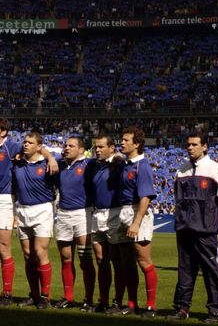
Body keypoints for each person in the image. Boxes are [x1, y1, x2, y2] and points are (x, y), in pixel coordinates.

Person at [0, 119, 58, 306]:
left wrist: (50, 157)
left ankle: (8, 293)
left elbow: (36, 147)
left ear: (3, 133)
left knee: (6, 249)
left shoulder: (12, 148)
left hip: (4, 201)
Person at [167, 132, 218, 323]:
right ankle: (182, 308)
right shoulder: (181, 171)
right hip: (185, 229)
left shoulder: (215, 170)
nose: (190, 148)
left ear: (205, 146)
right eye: (188, 144)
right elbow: (178, 199)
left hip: (206, 230)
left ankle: (215, 310)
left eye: (194, 144)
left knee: (211, 270)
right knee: (185, 270)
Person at [108, 126, 158, 318]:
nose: (122, 142)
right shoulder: (125, 164)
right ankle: (131, 303)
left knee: (144, 261)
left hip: (137, 212)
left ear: (136, 144)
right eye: (121, 139)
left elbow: (146, 197)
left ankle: (151, 306)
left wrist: (136, 223)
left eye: (126, 140)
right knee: (127, 263)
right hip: (123, 211)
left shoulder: (142, 166)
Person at [12, 132, 55, 309]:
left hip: (42, 209)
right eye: (25, 142)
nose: (25, 145)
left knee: (40, 251)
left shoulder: (48, 163)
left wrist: (50, 157)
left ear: (39, 147)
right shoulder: (17, 163)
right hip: (22, 210)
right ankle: (34, 295)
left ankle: (45, 296)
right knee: (28, 255)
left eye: (30, 142)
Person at [53, 135, 96, 310]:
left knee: (85, 259)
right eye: (65, 145)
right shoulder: (60, 165)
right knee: (65, 259)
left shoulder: (89, 165)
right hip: (63, 214)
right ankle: (68, 297)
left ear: (81, 150)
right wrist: (49, 157)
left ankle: (88, 299)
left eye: (71, 146)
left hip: (83, 214)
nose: (66, 148)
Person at [87, 134, 120, 313]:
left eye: (100, 147)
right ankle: (104, 299)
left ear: (112, 148)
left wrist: (118, 158)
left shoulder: (118, 164)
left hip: (114, 213)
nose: (97, 150)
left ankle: (119, 300)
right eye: (95, 147)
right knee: (101, 260)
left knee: (117, 260)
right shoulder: (93, 165)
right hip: (97, 213)